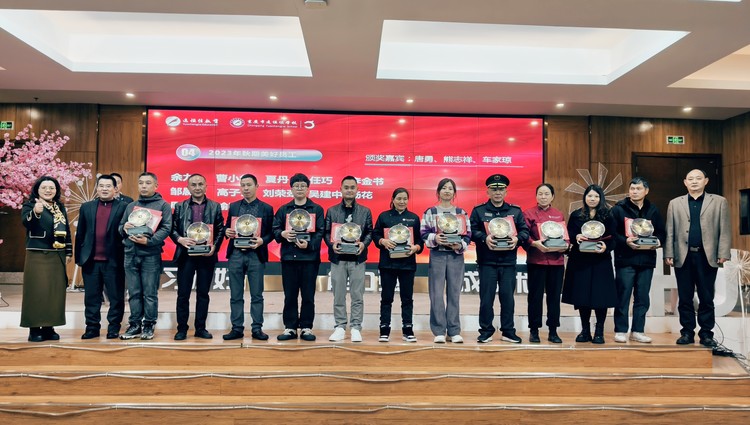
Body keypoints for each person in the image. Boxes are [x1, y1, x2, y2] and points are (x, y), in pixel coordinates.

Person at [665, 169, 731, 347]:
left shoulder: (719, 201)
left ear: (706, 181)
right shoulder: (675, 203)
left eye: (698, 178)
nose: (694, 181)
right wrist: (669, 253)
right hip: (683, 256)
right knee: (685, 297)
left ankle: (706, 334)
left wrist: (723, 253)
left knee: (706, 297)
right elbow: (670, 230)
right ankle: (687, 332)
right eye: (690, 179)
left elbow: (724, 229)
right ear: (685, 182)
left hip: (707, 256)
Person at [470, 174, 529, 344]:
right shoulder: (479, 210)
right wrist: (484, 238)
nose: (497, 192)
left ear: (506, 191)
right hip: (487, 262)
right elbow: (471, 231)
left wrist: (517, 239)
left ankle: (508, 331)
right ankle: (486, 331)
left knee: (508, 299)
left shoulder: (515, 211)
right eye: (494, 189)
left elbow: (525, 231)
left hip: (508, 262)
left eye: (501, 189)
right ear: (488, 191)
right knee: (486, 299)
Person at [610, 177, 666, 344]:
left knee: (642, 297)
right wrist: (625, 241)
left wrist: (657, 242)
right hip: (625, 259)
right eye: (632, 188)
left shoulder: (653, 209)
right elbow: (612, 233)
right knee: (623, 295)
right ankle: (620, 330)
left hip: (647, 260)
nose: (634, 191)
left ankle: (638, 331)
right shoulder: (619, 209)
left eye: (638, 189)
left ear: (646, 191)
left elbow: (661, 233)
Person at [170, 174, 225, 341]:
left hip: (206, 256)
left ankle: (200, 328)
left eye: (200, 184)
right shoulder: (180, 206)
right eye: (193, 184)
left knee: (203, 294)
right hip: (186, 255)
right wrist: (180, 239)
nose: (197, 187)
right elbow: (172, 228)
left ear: (206, 186)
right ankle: (182, 329)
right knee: (183, 294)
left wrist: (214, 247)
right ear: (188, 187)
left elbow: (220, 229)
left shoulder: (215, 206)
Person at [118, 172, 173, 340]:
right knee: (134, 292)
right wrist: (124, 228)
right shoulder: (131, 206)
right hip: (130, 253)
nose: (143, 186)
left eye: (148, 183)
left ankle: (148, 325)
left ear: (156, 186)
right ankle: (134, 324)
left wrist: (149, 241)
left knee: (149, 293)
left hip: (150, 255)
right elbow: (121, 226)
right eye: (141, 182)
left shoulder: (163, 205)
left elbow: (166, 228)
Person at [562, 184, 617, 344]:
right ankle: (585, 330)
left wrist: (607, 246)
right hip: (580, 261)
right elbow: (569, 234)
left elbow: (614, 237)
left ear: (601, 198)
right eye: (589, 196)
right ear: (585, 197)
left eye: (596, 196)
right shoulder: (576, 214)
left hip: (601, 261)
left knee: (601, 296)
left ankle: (599, 331)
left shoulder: (608, 215)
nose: (592, 199)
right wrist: (576, 237)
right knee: (582, 296)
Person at [74, 174, 128, 339]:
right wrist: (79, 258)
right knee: (91, 297)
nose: (104, 189)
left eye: (108, 186)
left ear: (115, 189)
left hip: (114, 260)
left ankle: (113, 328)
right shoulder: (86, 207)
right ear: (97, 188)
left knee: (116, 298)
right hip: (90, 261)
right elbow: (80, 234)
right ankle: (92, 328)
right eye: (101, 186)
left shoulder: (124, 207)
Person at [272, 173, 325, 341]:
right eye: (296, 186)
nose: (300, 188)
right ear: (291, 189)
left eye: (303, 186)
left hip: (309, 259)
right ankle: (290, 327)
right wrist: (282, 233)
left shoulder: (317, 209)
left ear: (308, 189)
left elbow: (321, 232)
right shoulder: (284, 209)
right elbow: (275, 228)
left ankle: (307, 327)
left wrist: (309, 245)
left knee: (308, 295)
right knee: (290, 295)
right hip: (289, 258)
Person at [223, 174, 274, 341]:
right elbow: (227, 227)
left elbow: (272, 232)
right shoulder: (234, 206)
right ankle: (237, 328)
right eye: (243, 185)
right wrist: (227, 231)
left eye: (249, 185)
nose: (245, 188)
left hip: (255, 254)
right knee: (235, 295)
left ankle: (257, 328)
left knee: (257, 295)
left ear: (257, 186)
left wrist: (262, 241)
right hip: (236, 254)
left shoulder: (266, 208)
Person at [21, 176, 72, 342]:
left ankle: (49, 327)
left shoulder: (60, 207)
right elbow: (26, 223)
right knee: (36, 291)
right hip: (37, 254)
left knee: (54, 292)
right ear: (37, 189)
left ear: (56, 190)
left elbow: (66, 230)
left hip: (57, 254)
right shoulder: (30, 205)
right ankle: (34, 329)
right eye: (44, 187)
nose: (48, 190)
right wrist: (36, 212)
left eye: (52, 188)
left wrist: (68, 252)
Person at [420, 178, 470, 344]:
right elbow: (423, 233)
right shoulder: (430, 212)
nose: (447, 191)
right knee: (436, 294)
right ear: (438, 192)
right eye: (444, 188)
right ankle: (439, 331)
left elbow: (467, 235)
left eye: (450, 188)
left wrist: (459, 244)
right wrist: (435, 238)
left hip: (456, 256)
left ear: (454, 193)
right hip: (437, 256)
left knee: (454, 294)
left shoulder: (461, 213)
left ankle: (454, 331)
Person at [324, 176, 373, 343]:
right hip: (338, 258)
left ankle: (356, 327)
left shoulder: (365, 211)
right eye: (346, 187)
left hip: (357, 259)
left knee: (357, 295)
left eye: (352, 187)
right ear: (341, 189)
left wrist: (364, 244)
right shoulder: (332, 211)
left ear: (357, 189)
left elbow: (369, 232)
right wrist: (332, 244)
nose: (349, 190)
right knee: (338, 295)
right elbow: (326, 232)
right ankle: (339, 326)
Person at [372, 188, 424, 342]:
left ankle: (408, 329)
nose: (402, 202)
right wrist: (382, 241)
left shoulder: (414, 218)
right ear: (393, 199)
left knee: (407, 298)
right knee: (386, 298)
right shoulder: (384, 216)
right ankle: (384, 329)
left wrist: (416, 247)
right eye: (399, 198)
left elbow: (420, 240)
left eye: (405, 199)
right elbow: (375, 234)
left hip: (407, 264)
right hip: (388, 264)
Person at [522, 183, 567, 344]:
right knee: (535, 297)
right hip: (537, 261)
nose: (543, 197)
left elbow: (565, 237)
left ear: (552, 196)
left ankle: (553, 331)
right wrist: (534, 244)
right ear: (536, 196)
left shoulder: (558, 214)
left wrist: (565, 246)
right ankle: (534, 331)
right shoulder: (528, 213)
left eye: (547, 194)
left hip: (556, 262)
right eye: (540, 193)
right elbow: (524, 235)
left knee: (554, 298)